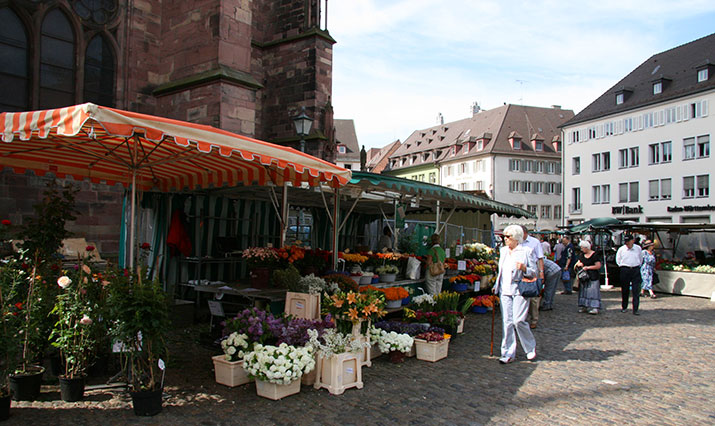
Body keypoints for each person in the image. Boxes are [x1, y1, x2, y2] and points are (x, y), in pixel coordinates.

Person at [493, 224, 538, 364]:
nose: (505, 239)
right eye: (504, 237)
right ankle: (507, 352)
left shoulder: (527, 251)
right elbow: (501, 271)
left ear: (516, 238)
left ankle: (530, 348)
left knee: (518, 321)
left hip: (520, 290)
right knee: (507, 322)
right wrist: (496, 285)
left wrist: (524, 268)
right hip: (505, 290)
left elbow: (534, 272)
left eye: (508, 237)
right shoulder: (503, 251)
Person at [521, 226, 545, 329]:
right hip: (520, 271)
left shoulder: (535, 242)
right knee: (522, 295)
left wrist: (541, 272)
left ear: (525, 233)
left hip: (533, 271)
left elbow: (540, 258)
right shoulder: (517, 241)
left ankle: (534, 319)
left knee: (533, 297)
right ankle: (522, 319)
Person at [616, 234, 643, 315]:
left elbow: (640, 258)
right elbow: (618, 260)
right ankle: (624, 306)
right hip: (625, 269)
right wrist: (622, 266)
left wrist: (637, 266)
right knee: (625, 289)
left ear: (633, 241)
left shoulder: (638, 248)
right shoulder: (621, 249)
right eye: (626, 241)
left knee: (636, 290)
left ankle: (635, 308)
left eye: (628, 241)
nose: (627, 243)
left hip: (635, 269)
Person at [574, 240, 603, 314]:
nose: (581, 249)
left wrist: (588, 267)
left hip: (593, 276)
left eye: (582, 248)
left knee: (593, 291)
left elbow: (598, 266)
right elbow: (578, 262)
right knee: (584, 291)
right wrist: (578, 265)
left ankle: (594, 307)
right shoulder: (582, 255)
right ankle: (584, 306)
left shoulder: (595, 255)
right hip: (584, 277)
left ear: (586, 247)